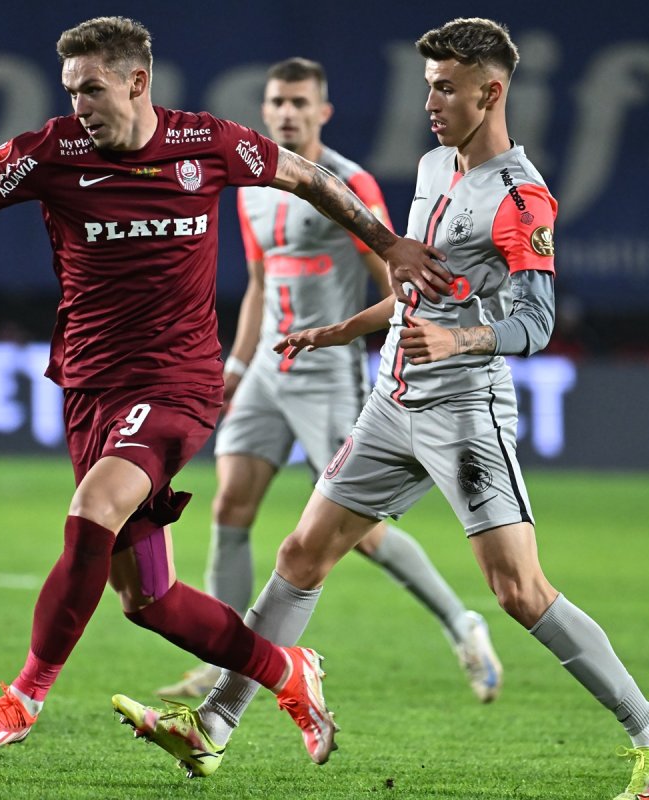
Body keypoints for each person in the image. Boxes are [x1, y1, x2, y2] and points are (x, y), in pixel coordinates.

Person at [0, 16, 454, 772]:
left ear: (136, 82)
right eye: (71, 91)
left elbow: (310, 178)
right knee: (147, 600)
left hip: (177, 382)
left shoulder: (206, 144)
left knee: (94, 507)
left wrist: (388, 245)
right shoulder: (49, 153)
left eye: (91, 89)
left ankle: (24, 697)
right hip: (90, 388)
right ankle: (286, 669)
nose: (79, 105)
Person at [112, 18, 649, 800]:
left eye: (446, 88)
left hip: (464, 415)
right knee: (300, 555)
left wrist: (457, 341)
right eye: (428, 86)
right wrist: (344, 329)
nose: (430, 102)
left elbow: (535, 324)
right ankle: (213, 726)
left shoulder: (521, 198)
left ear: (491, 92)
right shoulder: (431, 167)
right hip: (389, 404)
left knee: (519, 591)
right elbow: (418, 291)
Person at [155, 57, 502, 704]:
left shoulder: (349, 182)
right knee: (229, 506)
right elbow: (259, 283)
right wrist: (237, 365)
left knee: (361, 534)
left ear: (322, 112)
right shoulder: (251, 186)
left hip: (328, 376)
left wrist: (404, 356)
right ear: (265, 110)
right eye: (277, 102)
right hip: (268, 370)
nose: (287, 112)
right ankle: (221, 658)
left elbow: (395, 281)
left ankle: (463, 623)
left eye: (299, 102)